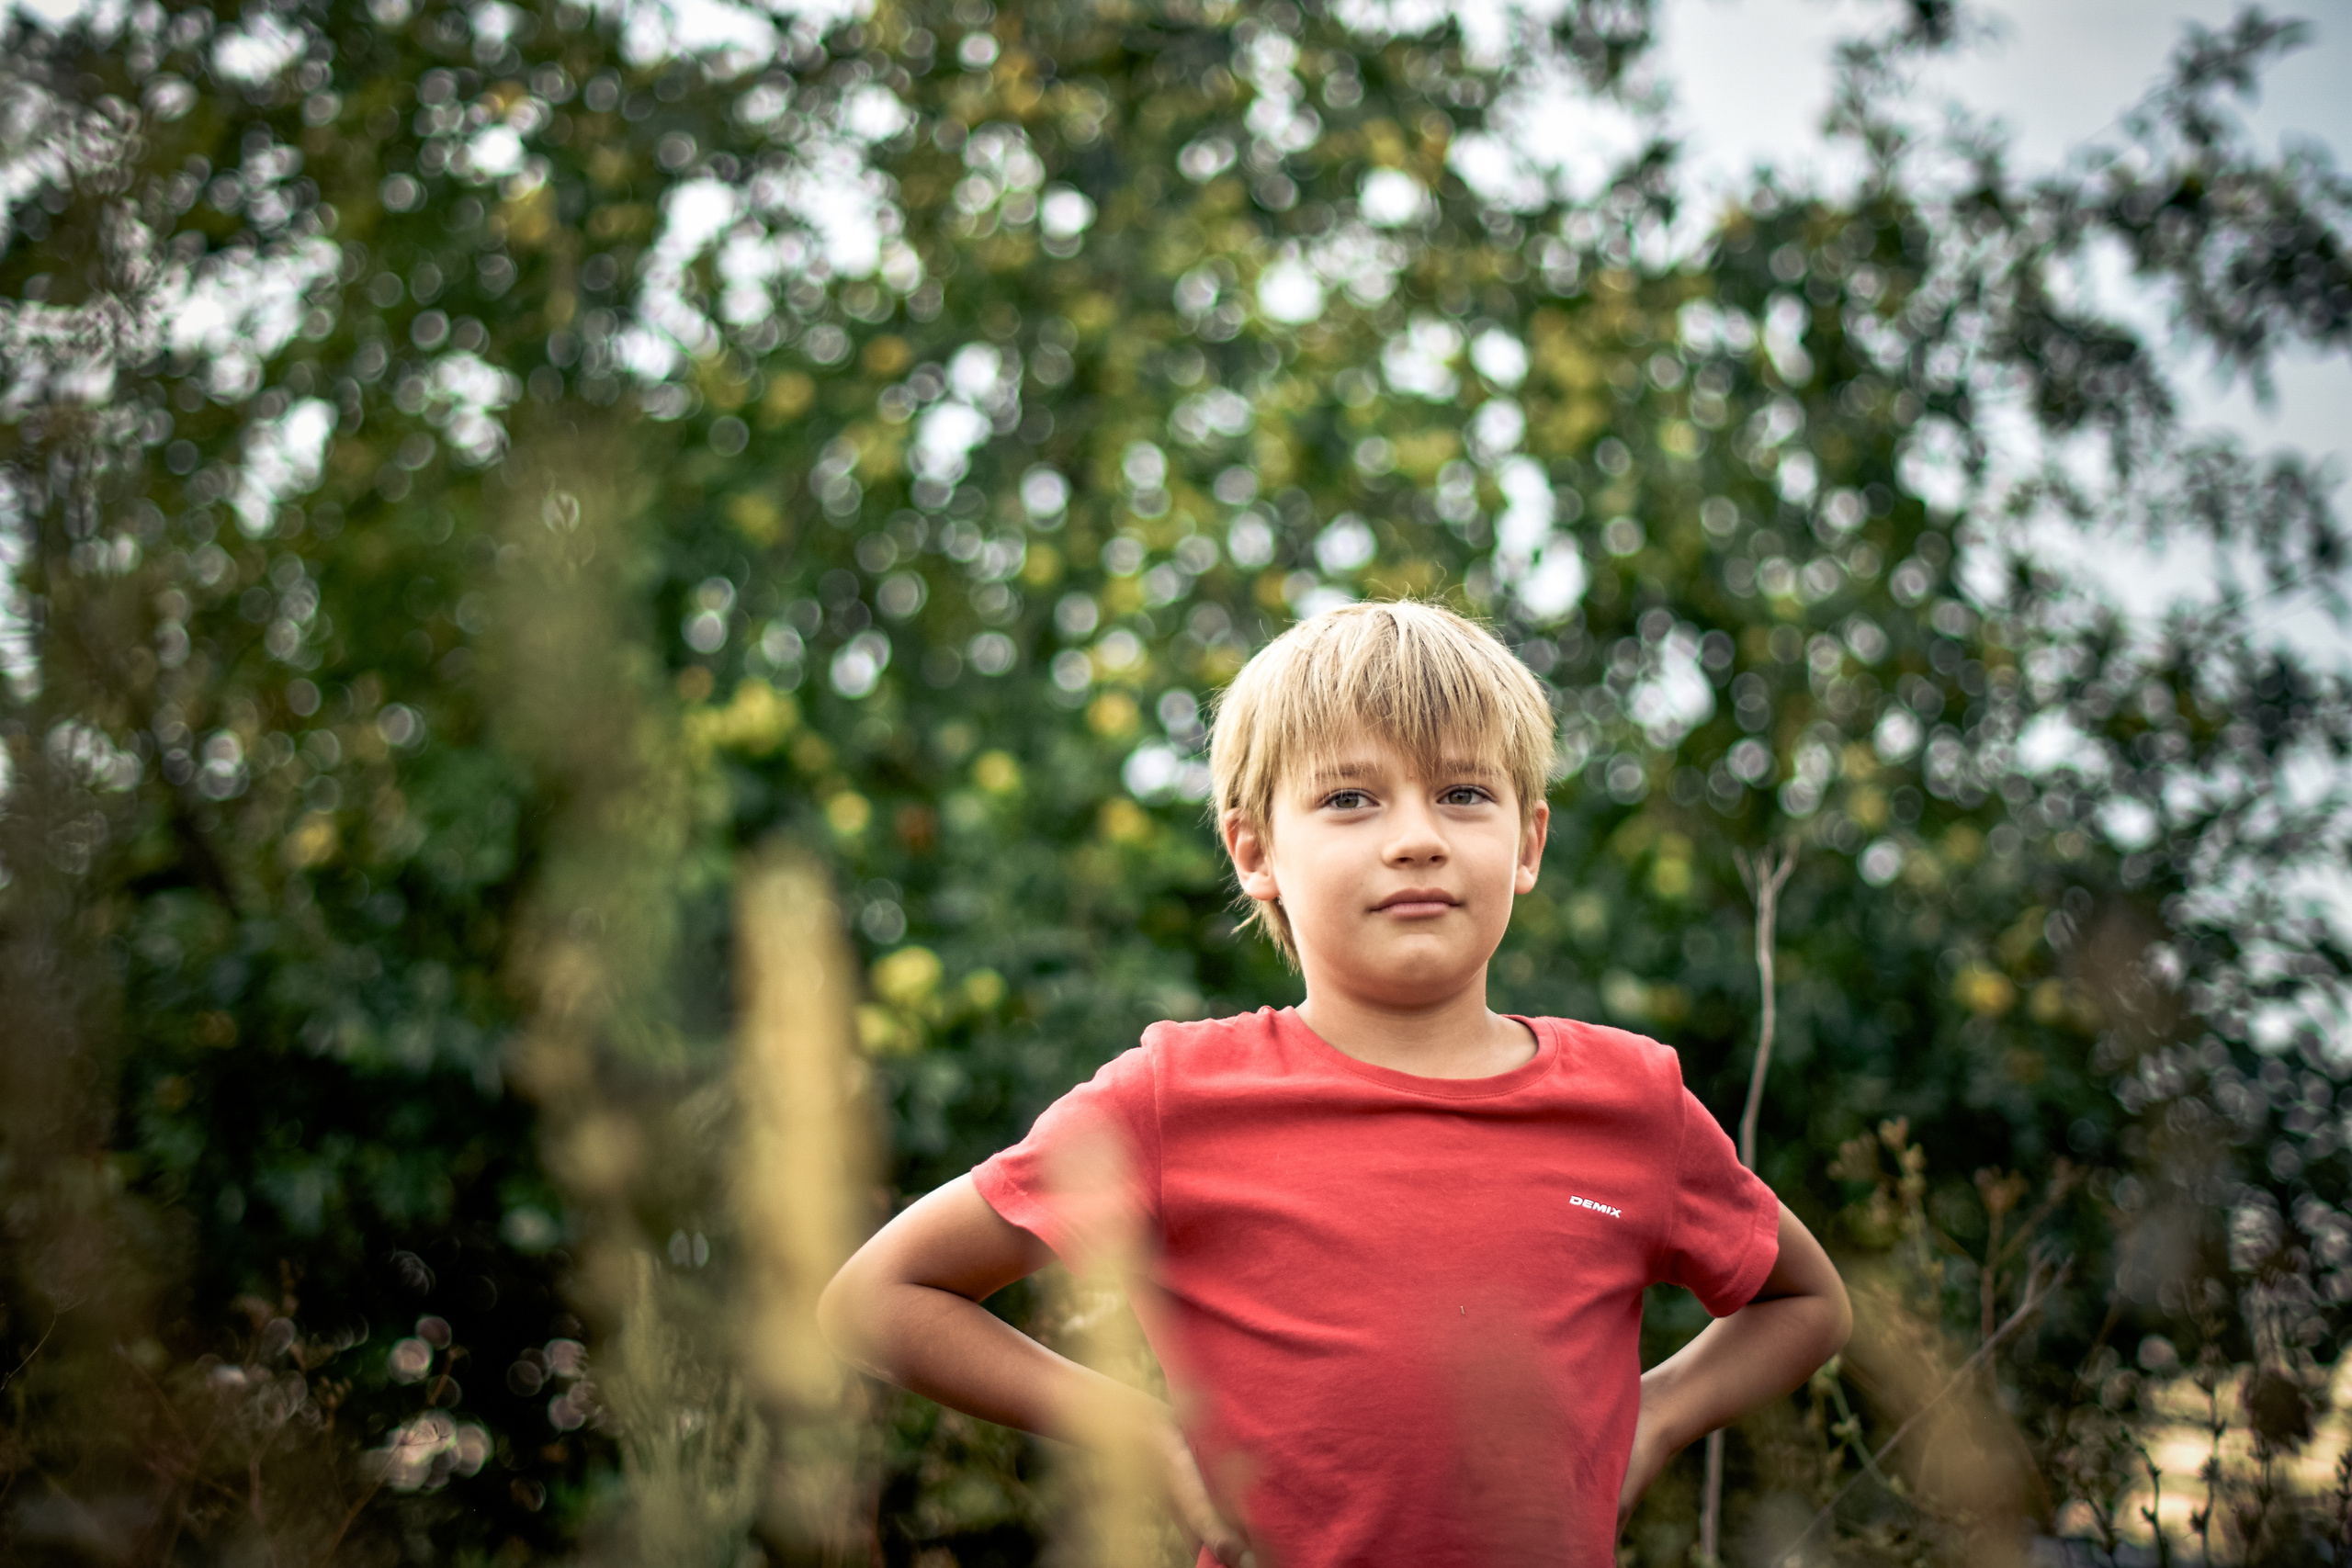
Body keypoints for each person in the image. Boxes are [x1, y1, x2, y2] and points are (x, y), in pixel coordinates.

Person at [819, 600, 1851, 1567]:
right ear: (1255, 849)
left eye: (1463, 794)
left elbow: (1806, 1303)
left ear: (1527, 842)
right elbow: (879, 1298)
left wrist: (1658, 1417)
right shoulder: (1177, 1095)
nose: (1415, 836)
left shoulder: (1631, 1100)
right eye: (1350, 799)